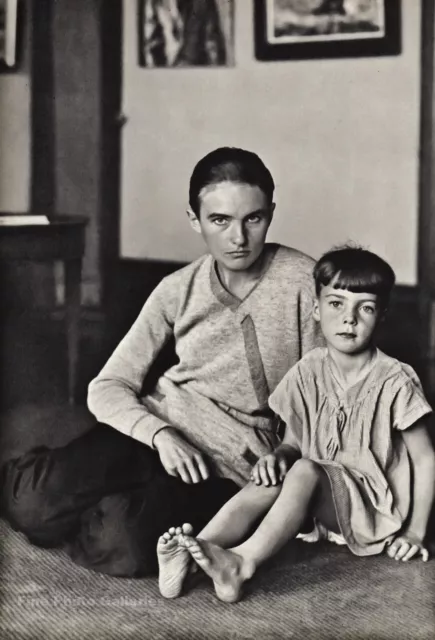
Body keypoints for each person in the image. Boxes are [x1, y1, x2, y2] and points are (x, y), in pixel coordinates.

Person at [0, 147, 323, 577]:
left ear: (271, 213)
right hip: (157, 433)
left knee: (123, 546)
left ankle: (97, 502)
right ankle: (49, 478)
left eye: (254, 218)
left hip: (226, 468)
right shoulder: (178, 288)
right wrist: (160, 434)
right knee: (31, 504)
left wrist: (286, 451)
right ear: (195, 220)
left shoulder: (305, 281)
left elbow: (325, 393)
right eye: (219, 220)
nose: (238, 238)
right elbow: (107, 385)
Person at [157, 246, 435, 603]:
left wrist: (414, 532)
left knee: (303, 471)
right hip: (321, 498)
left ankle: (242, 563)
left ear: (382, 315)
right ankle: (197, 550)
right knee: (270, 477)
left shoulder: (395, 379)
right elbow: (294, 442)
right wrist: (279, 456)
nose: (349, 319)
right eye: (336, 304)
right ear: (316, 310)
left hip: (371, 509)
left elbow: (426, 459)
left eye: (364, 308)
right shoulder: (308, 370)